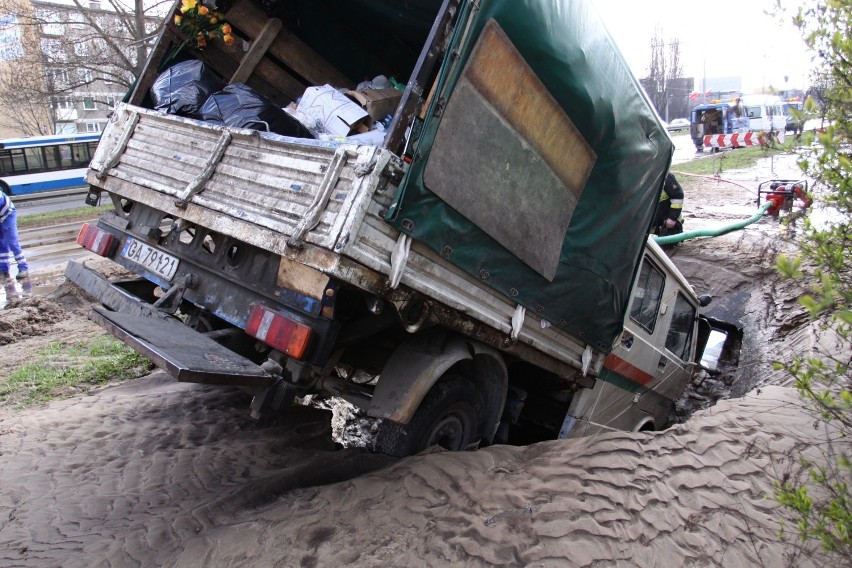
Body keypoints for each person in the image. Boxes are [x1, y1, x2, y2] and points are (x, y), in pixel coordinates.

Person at [0, 192, 30, 281]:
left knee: (12, 242)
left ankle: (23, 268)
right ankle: (3, 270)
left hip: (8, 214)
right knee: (1, 243)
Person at [652, 172, 685, 236]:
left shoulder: (663, 173)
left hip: (668, 224)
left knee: (666, 244)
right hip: (650, 228)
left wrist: (672, 218)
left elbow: (678, 196)